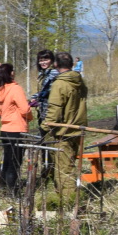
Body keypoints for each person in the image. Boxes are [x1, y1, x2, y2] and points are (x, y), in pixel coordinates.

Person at [44, 52, 89, 213]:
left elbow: (54, 111)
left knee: (64, 171)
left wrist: (45, 127)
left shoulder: (60, 84)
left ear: (56, 65)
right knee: (69, 167)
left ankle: (70, 207)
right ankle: (67, 202)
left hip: (64, 132)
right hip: (78, 129)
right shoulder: (79, 80)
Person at [0, 63, 33, 195]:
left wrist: (6, 113)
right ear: (10, 73)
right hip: (17, 129)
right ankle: (13, 192)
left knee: (7, 159)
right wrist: (30, 116)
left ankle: (2, 187)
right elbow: (25, 109)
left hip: (5, 128)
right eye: (12, 71)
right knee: (15, 162)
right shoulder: (15, 89)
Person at [29, 49, 58, 133]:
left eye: (46, 60)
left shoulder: (53, 73)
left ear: (51, 60)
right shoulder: (43, 73)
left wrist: (36, 98)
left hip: (50, 109)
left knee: (48, 132)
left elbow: (48, 90)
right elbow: (42, 90)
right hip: (43, 108)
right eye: (41, 60)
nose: (43, 62)